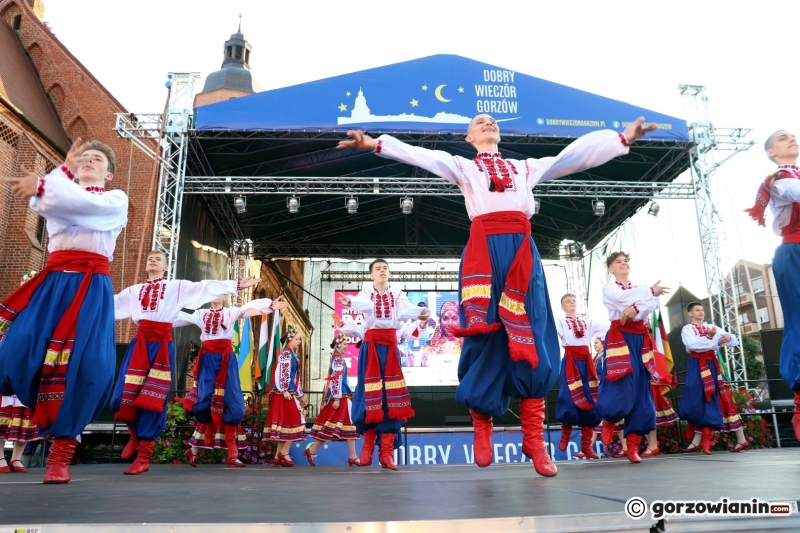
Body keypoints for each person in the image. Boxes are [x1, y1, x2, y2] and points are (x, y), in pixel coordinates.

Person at [338, 115, 657, 476]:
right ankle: (481, 422)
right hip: (483, 254)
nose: (488, 122)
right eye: (480, 122)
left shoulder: (523, 168)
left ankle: (534, 439)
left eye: (491, 120)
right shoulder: (463, 166)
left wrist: (622, 138)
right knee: (485, 332)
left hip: (522, 251)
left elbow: (571, 157)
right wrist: (377, 144)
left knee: (534, 335)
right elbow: (423, 156)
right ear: (469, 136)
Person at [0, 139, 128, 483]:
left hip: (91, 286)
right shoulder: (61, 194)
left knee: (88, 367)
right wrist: (53, 184)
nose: (89, 161)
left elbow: (83, 208)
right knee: (17, 346)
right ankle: (27, 413)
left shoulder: (116, 200)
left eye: (97, 158)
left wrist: (50, 183)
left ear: (110, 173)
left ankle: (60, 456)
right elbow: (48, 206)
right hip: (54, 282)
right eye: (83, 158)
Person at [113, 251, 260, 475]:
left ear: (165, 268)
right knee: (121, 395)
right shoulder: (133, 292)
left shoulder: (175, 288)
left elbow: (202, 287)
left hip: (161, 345)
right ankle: (133, 434)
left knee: (153, 399)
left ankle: (143, 457)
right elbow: (108, 306)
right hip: (140, 343)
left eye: (158, 259)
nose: (153, 260)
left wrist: (238, 284)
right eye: (150, 258)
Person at [336, 259, 429, 470]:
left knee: (392, 396)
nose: (382, 271)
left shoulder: (397, 293)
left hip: (390, 349)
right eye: (378, 269)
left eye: (385, 268)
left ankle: (386, 452)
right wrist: (349, 303)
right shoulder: (366, 293)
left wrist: (421, 316)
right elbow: (364, 305)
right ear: (371, 275)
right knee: (369, 394)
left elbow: (407, 311)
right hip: (371, 349)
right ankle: (367, 447)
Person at [176, 294, 288, 467]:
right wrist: (155, 316)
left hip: (226, 360)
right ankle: (199, 448)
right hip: (207, 359)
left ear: (225, 296)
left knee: (232, 403)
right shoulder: (201, 314)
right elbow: (181, 317)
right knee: (205, 398)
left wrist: (270, 305)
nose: (216, 296)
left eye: (220, 293)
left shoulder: (230, 312)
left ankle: (232, 455)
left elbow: (249, 308)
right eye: (212, 292)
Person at [745, 130, 800, 441]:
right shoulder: (779, 178)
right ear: (771, 152)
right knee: (799, 322)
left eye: (793, 135)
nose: (792, 139)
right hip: (795, 252)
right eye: (783, 138)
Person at [596, 252, 668, 463]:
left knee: (641, 389)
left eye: (625, 261)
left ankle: (634, 446)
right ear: (611, 269)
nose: (623, 264)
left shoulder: (639, 288)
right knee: (620, 381)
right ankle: (609, 418)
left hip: (640, 339)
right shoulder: (610, 288)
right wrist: (648, 293)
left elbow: (653, 304)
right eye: (618, 262)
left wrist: (636, 307)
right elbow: (621, 299)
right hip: (620, 337)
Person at [679, 302, 748, 454]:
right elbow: (694, 345)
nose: (701, 312)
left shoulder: (711, 327)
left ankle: (703, 441)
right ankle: (698, 442)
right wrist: (710, 338)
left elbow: (732, 340)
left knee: (718, 397)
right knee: (700, 399)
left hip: (713, 365)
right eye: (697, 310)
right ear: (690, 313)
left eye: (702, 310)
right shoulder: (688, 329)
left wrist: (726, 338)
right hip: (698, 365)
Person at [554, 294, 609, 459]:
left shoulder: (587, 323)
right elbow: (547, 329)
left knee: (591, 399)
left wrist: (625, 321)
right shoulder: (560, 322)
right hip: (571, 361)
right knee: (568, 397)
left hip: (586, 362)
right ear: (563, 307)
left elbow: (609, 328)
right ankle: (566, 433)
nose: (571, 303)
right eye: (567, 302)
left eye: (573, 301)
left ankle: (586, 446)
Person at [305, 326, 361, 466]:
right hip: (340, 397)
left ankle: (313, 451)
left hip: (342, 395)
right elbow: (336, 379)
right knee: (344, 426)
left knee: (334, 427)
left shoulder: (337, 358)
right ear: (338, 344)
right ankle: (352, 456)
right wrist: (336, 398)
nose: (347, 347)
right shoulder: (338, 359)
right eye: (345, 344)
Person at [263, 324, 308, 467]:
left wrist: (300, 397)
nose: (300, 342)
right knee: (295, 421)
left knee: (287, 425)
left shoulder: (291, 354)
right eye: (298, 339)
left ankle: (277, 456)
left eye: (300, 339)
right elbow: (282, 372)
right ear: (290, 340)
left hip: (288, 392)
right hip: (285, 393)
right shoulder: (286, 354)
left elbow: (295, 377)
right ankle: (285, 453)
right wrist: (284, 390)